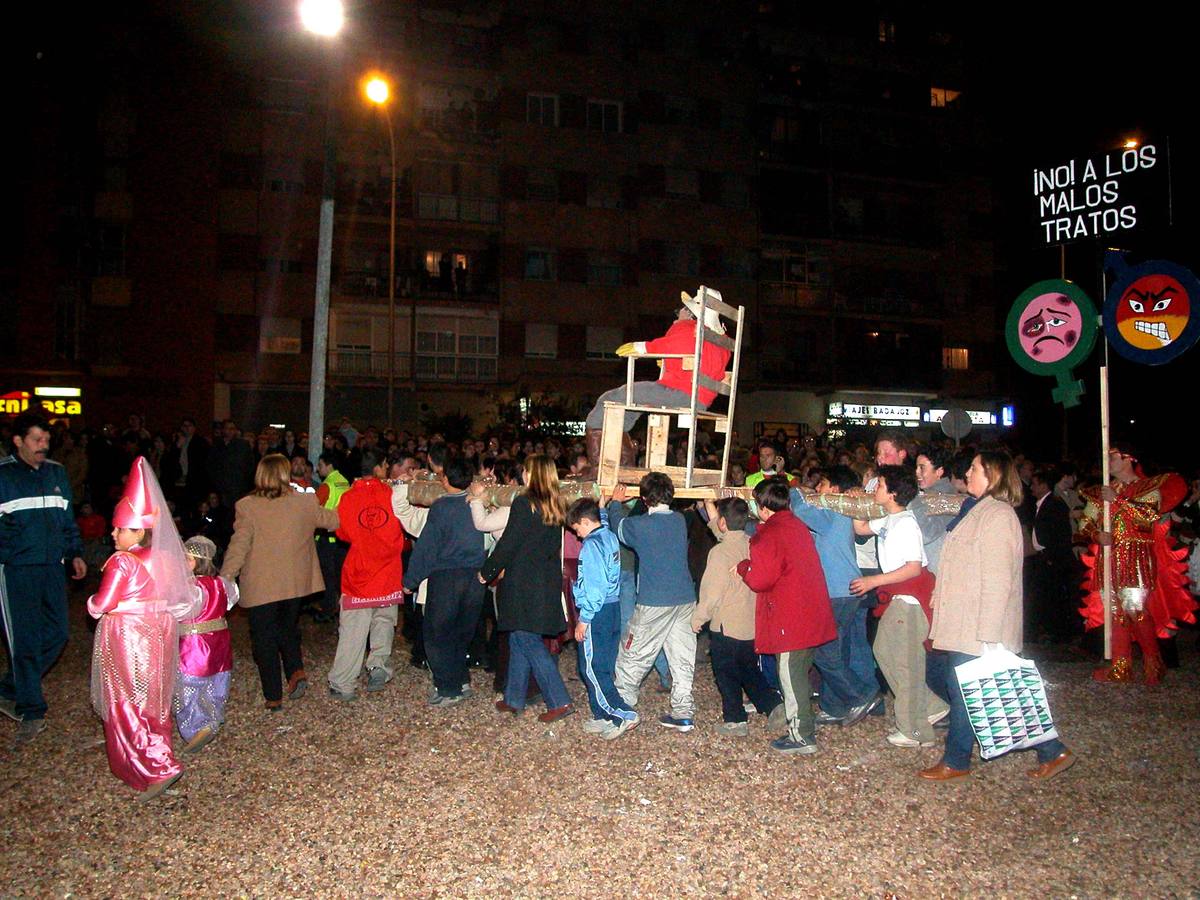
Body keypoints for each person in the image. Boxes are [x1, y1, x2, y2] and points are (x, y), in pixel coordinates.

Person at [919, 451, 1076, 782]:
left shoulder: (997, 516)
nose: (969, 472)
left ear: (992, 474)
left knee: (967, 687)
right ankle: (1051, 749)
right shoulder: (977, 509)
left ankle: (957, 758)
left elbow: (998, 578)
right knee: (979, 688)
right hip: (965, 616)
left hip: (978, 623)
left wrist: (989, 633)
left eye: (974, 468)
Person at [88, 457, 200, 799]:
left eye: (119, 528)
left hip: (128, 636)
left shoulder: (123, 561)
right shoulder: (165, 557)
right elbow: (181, 595)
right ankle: (160, 753)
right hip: (160, 631)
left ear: (138, 530)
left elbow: (101, 605)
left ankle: (149, 766)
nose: (113, 533)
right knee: (155, 695)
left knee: (127, 698)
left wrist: (93, 602)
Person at [220, 454, 340, 710]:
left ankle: (273, 696)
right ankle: (295, 670)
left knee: (264, 638)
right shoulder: (304, 502)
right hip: (294, 582)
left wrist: (226, 576)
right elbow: (333, 521)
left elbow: (239, 545)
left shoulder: (247, 506)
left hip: (261, 583)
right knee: (287, 627)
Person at [0, 413, 88, 747]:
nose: (43, 446)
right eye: (36, 440)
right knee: (24, 637)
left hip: (52, 565)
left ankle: (12, 686)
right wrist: (11, 551)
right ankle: (31, 708)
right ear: (18, 440)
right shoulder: (4, 476)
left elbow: (67, 519)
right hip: (16, 568)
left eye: (47, 440)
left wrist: (75, 552)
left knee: (58, 633)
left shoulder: (56, 473)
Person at [1078, 443, 1196, 683]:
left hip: (1136, 556)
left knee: (1135, 608)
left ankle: (1154, 663)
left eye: (1111, 457)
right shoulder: (1102, 491)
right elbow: (1085, 521)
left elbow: (1149, 515)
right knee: (1115, 612)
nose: (1107, 462)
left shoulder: (1148, 487)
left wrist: (1118, 500)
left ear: (1128, 458)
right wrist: (1095, 534)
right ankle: (1122, 667)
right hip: (1108, 557)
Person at [737, 478, 837, 755]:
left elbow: (760, 579)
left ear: (763, 507)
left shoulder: (769, 534)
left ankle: (801, 735)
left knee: (789, 675)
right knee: (800, 673)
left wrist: (745, 567)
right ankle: (805, 722)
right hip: (811, 611)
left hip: (790, 616)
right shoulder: (796, 526)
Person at [851, 465, 948, 749]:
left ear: (892, 493)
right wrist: (859, 503)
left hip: (909, 600)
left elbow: (914, 568)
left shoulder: (905, 524)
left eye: (879, 485)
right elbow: (860, 527)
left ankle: (916, 731)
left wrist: (873, 582)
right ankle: (930, 706)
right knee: (883, 651)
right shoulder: (889, 519)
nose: (874, 489)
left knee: (906, 664)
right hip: (898, 598)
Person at [584, 288, 733, 471]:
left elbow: (677, 343)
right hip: (700, 398)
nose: (679, 314)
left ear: (693, 314)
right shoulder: (721, 339)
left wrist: (644, 346)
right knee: (630, 409)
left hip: (680, 393)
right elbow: (701, 361)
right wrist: (671, 364)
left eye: (684, 310)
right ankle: (622, 464)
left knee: (609, 399)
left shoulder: (690, 328)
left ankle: (600, 467)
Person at [480, 456, 574, 722]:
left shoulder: (524, 503)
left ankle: (559, 700)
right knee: (519, 637)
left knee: (525, 639)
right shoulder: (555, 505)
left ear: (533, 475)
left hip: (524, 583)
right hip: (545, 581)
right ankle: (514, 698)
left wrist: (486, 572)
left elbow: (509, 544)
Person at [788, 467, 880, 727]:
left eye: (823, 484)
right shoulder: (837, 513)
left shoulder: (833, 511)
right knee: (835, 650)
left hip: (837, 592)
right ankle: (836, 705)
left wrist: (795, 489)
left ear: (836, 490)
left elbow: (801, 510)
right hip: (843, 590)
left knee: (822, 651)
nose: (818, 489)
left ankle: (860, 694)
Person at [609, 472, 699, 733]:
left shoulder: (641, 526)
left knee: (633, 654)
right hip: (684, 598)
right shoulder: (680, 521)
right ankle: (683, 711)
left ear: (644, 498)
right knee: (682, 656)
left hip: (654, 600)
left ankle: (622, 706)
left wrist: (615, 504)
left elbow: (619, 527)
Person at [694, 497, 784, 737]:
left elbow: (711, 591)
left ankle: (735, 719)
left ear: (723, 522)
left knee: (726, 673)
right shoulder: (752, 544)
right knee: (748, 669)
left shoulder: (719, 553)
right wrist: (711, 505)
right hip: (750, 622)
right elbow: (722, 529)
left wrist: (698, 617)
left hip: (726, 624)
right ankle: (773, 705)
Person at [402, 457, 486, 706]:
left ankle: (448, 688)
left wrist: (411, 579)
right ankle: (461, 679)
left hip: (447, 577)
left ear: (445, 479)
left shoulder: (441, 508)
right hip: (475, 576)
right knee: (462, 631)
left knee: (438, 633)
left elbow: (427, 548)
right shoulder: (478, 503)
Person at [326, 457, 406, 701]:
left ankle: (343, 682)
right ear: (378, 467)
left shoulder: (348, 498)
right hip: (388, 571)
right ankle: (378, 666)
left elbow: (343, 532)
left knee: (353, 629)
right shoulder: (392, 494)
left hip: (359, 573)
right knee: (383, 620)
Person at [567, 497, 639, 739]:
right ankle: (602, 714)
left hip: (596, 613)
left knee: (591, 669)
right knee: (605, 664)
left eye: (577, 528)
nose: (577, 535)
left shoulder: (591, 546)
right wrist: (602, 505)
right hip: (613, 609)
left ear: (586, 522)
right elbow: (604, 520)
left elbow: (595, 589)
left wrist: (583, 620)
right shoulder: (608, 535)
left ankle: (622, 713)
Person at [177, 535, 236, 753]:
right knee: (216, 683)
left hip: (194, 644)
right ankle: (212, 719)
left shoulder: (191, 588)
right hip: (220, 642)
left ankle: (195, 728)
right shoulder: (222, 583)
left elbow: (182, 611)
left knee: (189, 687)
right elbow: (230, 601)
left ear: (194, 561)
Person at [312, 452, 352, 622]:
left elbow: (312, 509)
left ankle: (328, 609)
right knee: (339, 577)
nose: (317, 469)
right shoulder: (345, 482)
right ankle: (342, 608)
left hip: (326, 538)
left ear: (329, 466)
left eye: (320, 465)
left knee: (327, 576)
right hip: (342, 538)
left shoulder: (326, 485)